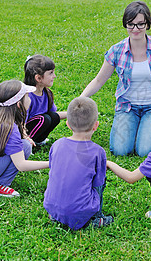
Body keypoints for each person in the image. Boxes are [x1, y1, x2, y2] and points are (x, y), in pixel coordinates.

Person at [80, 1, 151, 157]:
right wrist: (81, 98)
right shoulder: (117, 51)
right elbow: (98, 81)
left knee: (145, 151)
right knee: (120, 150)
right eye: (130, 25)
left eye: (140, 24)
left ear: (147, 25)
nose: (135, 29)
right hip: (127, 107)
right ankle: (137, 128)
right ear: (125, 24)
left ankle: (145, 129)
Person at [44, 97, 113, 230]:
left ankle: (56, 216)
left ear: (68, 124)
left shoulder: (57, 144)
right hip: (80, 210)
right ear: (96, 125)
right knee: (100, 181)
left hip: (51, 206)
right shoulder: (97, 152)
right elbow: (98, 183)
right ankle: (96, 218)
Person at [24, 54, 67, 146]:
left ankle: (39, 140)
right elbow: (20, 123)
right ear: (38, 78)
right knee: (45, 119)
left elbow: (55, 114)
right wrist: (25, 138)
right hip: (22, 131)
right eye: (51, 73)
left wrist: (73, 113)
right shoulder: (27, 97)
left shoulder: (47, 93)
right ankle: (27, 143)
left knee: (53, 117)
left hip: (38, 124)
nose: (54, 76)